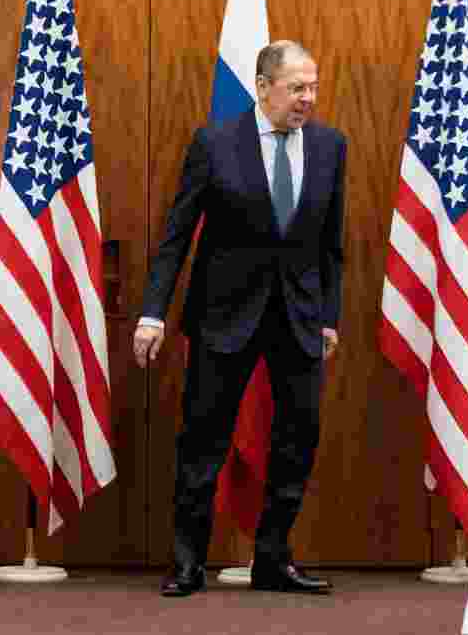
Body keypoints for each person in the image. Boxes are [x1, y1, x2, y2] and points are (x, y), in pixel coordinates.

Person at [135, 41, 346, 597]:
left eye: (313, 87)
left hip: (299, 318)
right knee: (203, 443)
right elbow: (177, 234)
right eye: (297, 87)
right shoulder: (215, 143)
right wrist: (153, 312)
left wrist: (329, 316)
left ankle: (273, 561)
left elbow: (331, 246)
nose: (309, 98)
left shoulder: (329, 147)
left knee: (297, 441)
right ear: (262, 86)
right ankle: (188, 562)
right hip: (223, 315)